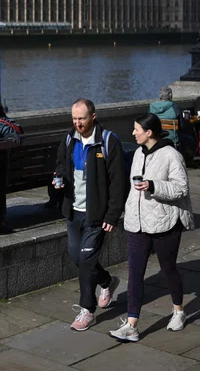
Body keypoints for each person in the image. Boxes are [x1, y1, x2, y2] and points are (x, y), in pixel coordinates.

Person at [109, 113, 195, 342]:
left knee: (168, 270)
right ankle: (131, 325)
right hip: (137, 223)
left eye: (136, 129)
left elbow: (181, 188)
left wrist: (153, 186)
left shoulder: (171, 155)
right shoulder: (138, 153)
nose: (133, 133)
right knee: (135, 274)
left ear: (149, 132)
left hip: (164, 222)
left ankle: (179, 311)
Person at [53, 98, 127, 332]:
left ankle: (87, 310)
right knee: (77, 257)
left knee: (86, 260)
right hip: (73, 210)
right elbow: (61, 164)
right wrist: (59, 177)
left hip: (96, 213)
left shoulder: (108, 141)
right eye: (74, 119)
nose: (77, 123)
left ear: (93, 117)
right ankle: (107, 281)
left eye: (82, 119)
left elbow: (118, 182)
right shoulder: (69, 139)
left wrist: (112, 215)